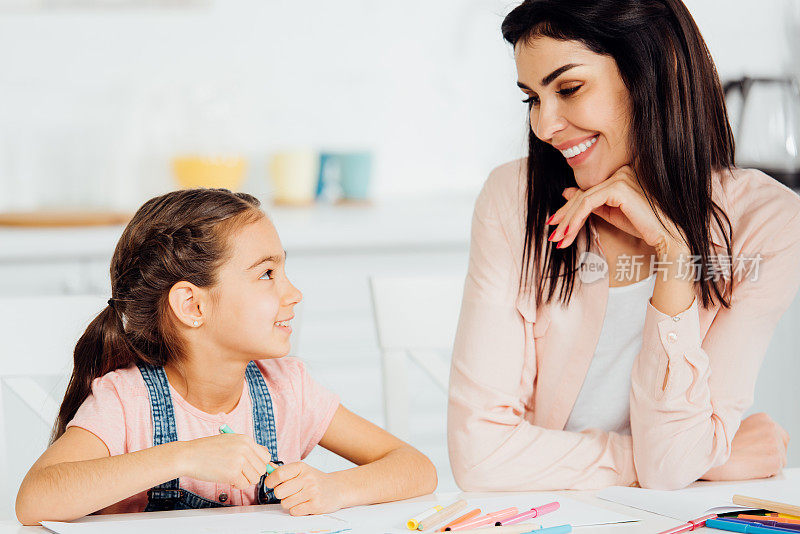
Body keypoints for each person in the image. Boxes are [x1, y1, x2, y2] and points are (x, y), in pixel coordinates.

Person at [448, 0, 800, 491]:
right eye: (532, 98)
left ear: (653, 71)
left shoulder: (768, 223)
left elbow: (673, 467)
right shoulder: (513, 199)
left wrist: (674, 255)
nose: (543, 126)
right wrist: (706, 457)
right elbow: (480, 457)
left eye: (569, 89)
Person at [16, 188, 436, 525]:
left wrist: (337, 489)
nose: (293, 293)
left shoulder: (288, 389)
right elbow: (35, 497)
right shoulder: (127, 401)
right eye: (267, 274)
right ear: (192, 306)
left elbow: (416, 468)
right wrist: (184, 455)